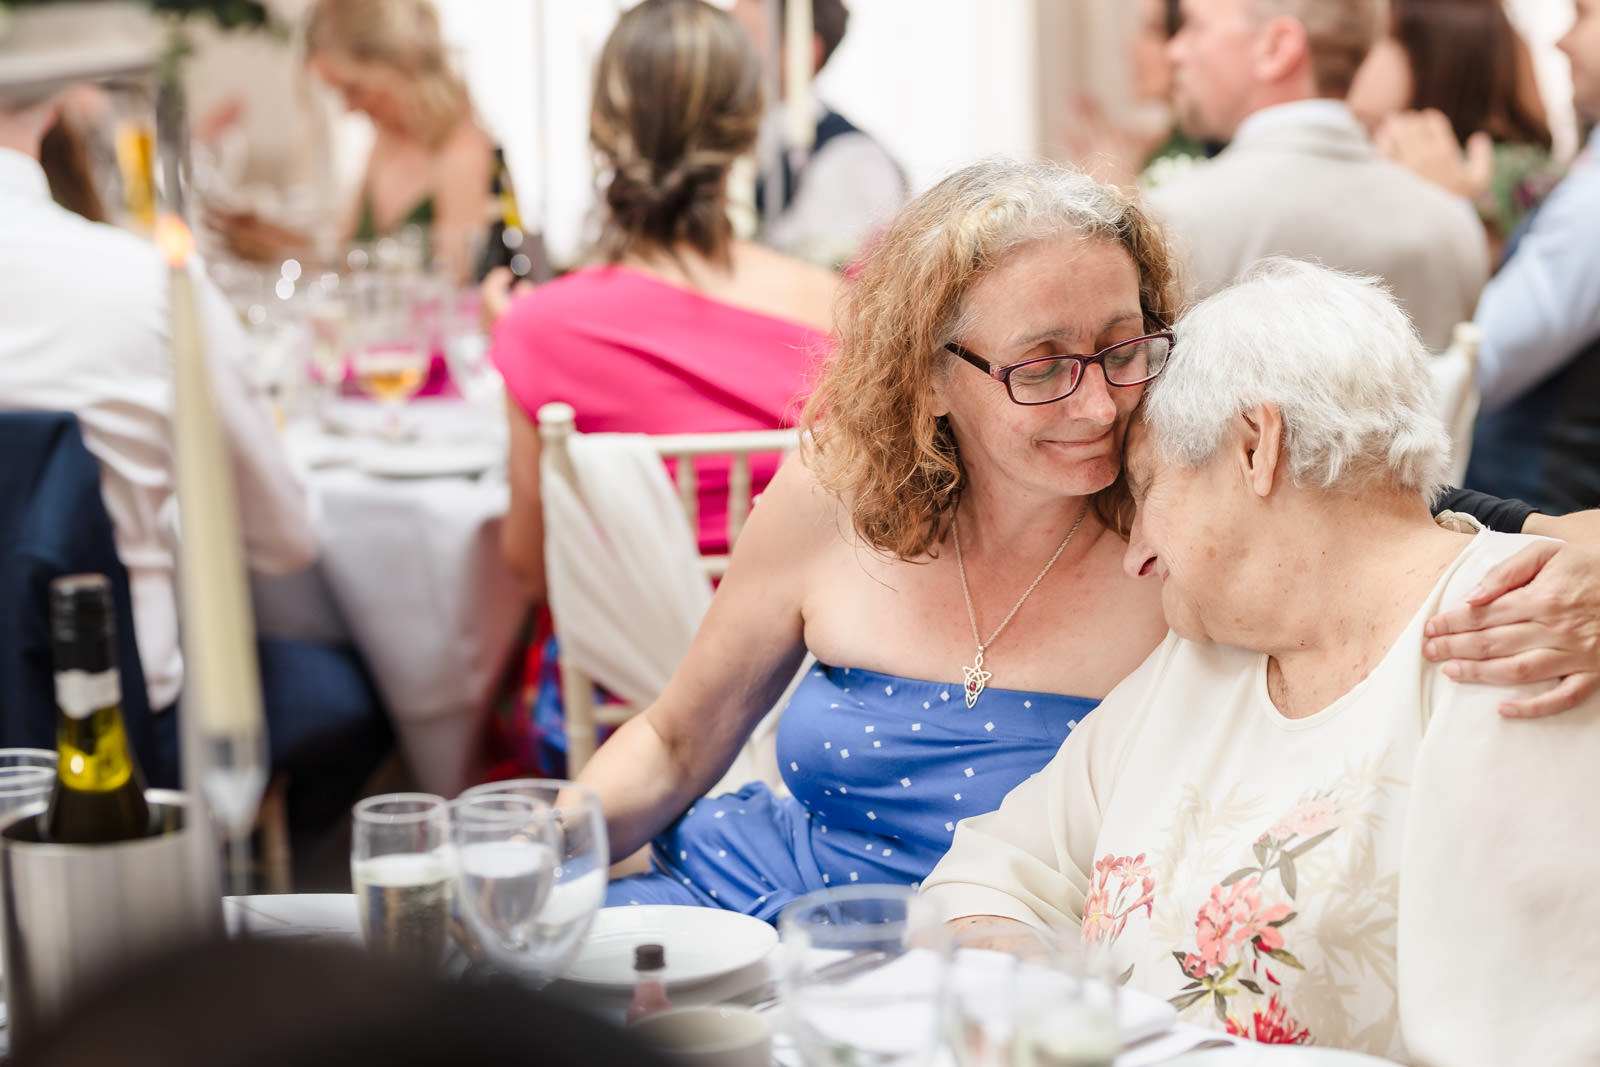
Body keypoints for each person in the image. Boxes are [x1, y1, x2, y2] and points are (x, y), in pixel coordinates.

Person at [576, 155, 1600, 923]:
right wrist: (537, 849)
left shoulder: (1196, 526)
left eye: (1123, 347)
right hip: (741, 914)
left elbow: (1415, 528)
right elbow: (672, 743)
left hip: (1006, 969)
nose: (1100, 403)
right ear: (930, 377)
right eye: (1041, 364)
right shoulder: (831, 494)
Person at [921, 259, 1600, 1062]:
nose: (1136, 555)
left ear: (1255, 446)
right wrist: (1033, 983)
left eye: (1145, 492)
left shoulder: (1517, 636)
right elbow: (991, 868)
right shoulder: (1203, 657)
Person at [489, 0, 838, 604]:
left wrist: (516, 343)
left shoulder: (537, 328)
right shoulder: (840, 310)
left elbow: (531, 568)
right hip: (802, 667)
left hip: (623, 689)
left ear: (602, 130)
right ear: (748, 125)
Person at [0, 91, 319, 722]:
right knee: (346, 697)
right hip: (114, 725)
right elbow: (286, 541)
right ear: (47, 108)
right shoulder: (151, 283)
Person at [1147, 0, 1487, 351]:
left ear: (1277, 47)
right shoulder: (1453, 224)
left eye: (1195, 25)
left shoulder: (1172, 221)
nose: (1174, 49)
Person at [210, 0, 507, 282]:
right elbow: (348, 264)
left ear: (399, 64)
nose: (348, 108)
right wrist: (277, 245)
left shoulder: (464, 153)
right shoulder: (383, 142)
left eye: (354, 90)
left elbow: (448, 288)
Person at [1462, 0, 1600, 516]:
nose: (1561, 41)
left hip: (1542, 519)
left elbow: (1483, 360)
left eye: (1583, 15)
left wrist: (1445, 213)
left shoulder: (1594, 205)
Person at [1347, 0, 1562, 265]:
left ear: (1437, 56)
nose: (1353, 62)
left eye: (1377, 40)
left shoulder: (1502, 175)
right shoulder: (1372, 146)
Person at [729, 0, 906, 269]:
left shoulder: (853, 162)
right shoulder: (725, 137)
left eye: (741, 35)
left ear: (802, 52)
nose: (721, 48)